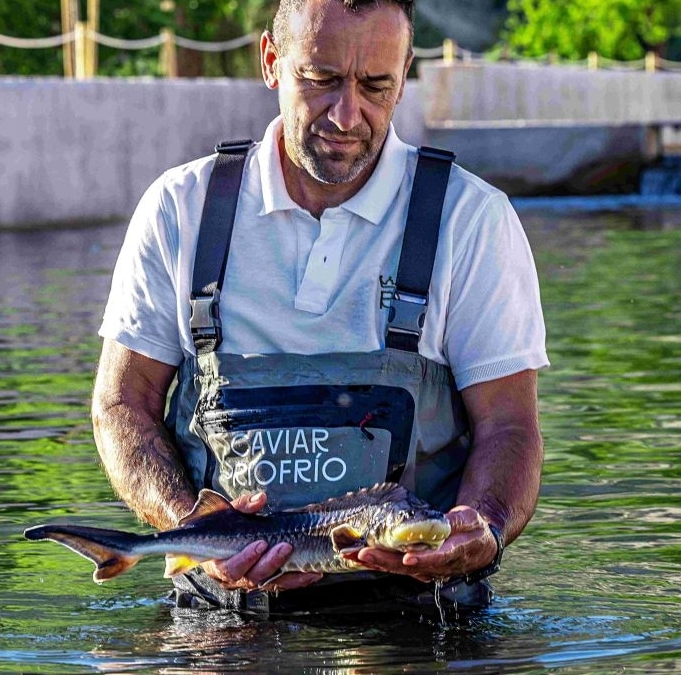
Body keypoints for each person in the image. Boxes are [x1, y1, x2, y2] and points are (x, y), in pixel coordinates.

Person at [92, 0, 548, 615]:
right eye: (322, 80)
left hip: (418, 620)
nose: (347, 114)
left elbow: (510, 427)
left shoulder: (471, 218)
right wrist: (198, 535)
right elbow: (123, 405)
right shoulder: (181, 208)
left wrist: (484, 528)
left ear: (406, 72)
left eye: (376, 86)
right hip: (221, 624)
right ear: (271, 62)